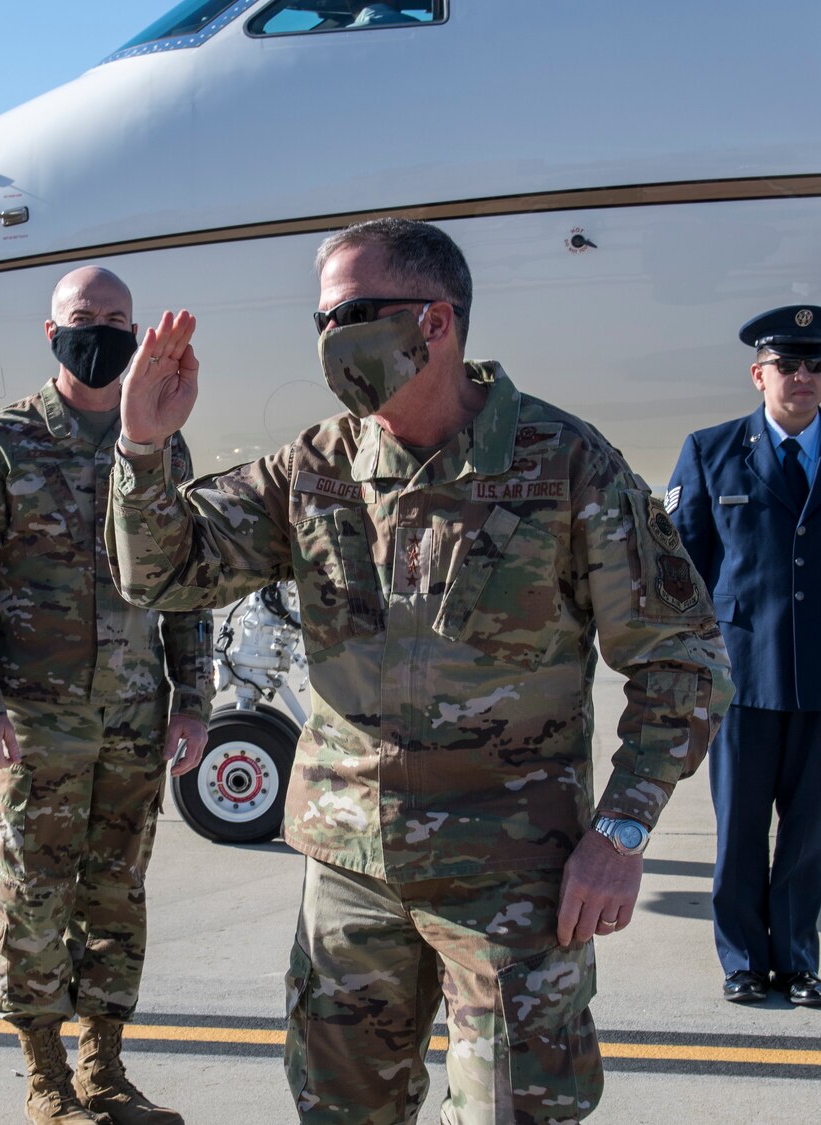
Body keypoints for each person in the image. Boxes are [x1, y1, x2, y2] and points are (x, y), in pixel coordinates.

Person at [105, 218, 733, 1124]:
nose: (330, 340)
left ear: (435, 323)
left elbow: (682, 656)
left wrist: (623, 831)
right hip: (350, 871)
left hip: (513, 878)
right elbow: (164, 571)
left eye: (352, 314)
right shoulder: (314, 467)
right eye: (321, 319)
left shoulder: (565, 465)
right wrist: (140, 451)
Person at [0, 266, 214, 1125]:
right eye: (85, 317)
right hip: (34, 718)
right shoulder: (5, 441)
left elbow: (183, 579)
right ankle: (45, 1076)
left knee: (116, 891)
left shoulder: (161, 438)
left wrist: (193, 695)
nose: (101, 330)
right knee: (32, 891)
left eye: (117, 317)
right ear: (51, 333)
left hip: (134, 714)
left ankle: (105, 1067)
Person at [666, 306, 821, 1007]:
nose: (803, 377)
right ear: (759, 375)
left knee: (810, 830)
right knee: (740, 827)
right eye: (787, 366)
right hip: (741, 674)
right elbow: (685, 572)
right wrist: (690, 662)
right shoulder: (712, 452)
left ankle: (799, 959)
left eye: (814, 365)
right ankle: (743, 958)